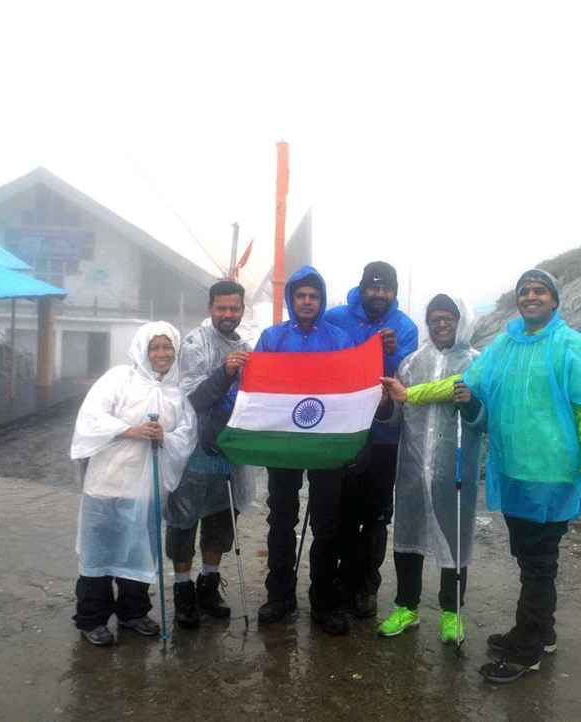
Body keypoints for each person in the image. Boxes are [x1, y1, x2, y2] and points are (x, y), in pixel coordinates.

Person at [384, 269, 581, 683]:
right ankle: (541, 632)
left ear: (555, 300)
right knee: (530, 560)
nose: (530, 297)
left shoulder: (574, 348)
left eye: (540, 291)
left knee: (540, 563)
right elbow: (460, 383)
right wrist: (410, 394)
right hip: (515, 471)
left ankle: (527, 651)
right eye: (524, 291)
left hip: (554, 473)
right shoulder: (506, 345)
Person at [69, 322, 197, 646]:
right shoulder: (118, 379)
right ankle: (93, 619)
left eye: (167, 347)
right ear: (143, 349)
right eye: (155, 347)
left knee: (138, 552)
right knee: (99, 554)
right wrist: (132, 430)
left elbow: (187, 434)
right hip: (108, 484)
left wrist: (164, 436)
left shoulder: (177, 392)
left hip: (148, 488)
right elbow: (91, 417)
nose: (162, 354)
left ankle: (133, 612)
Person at [376, 294, 484, 645]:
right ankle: (407, 607)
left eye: (448, 318)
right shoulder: (409, 364)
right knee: (408, 536)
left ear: (460, 321)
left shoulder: (476, 364)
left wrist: (471, 405)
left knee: (454, 536)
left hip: (454, 468)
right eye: (434, 318)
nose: (441, 324)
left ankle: (452, 613)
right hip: (411, 467)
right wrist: (384, 405)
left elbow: (485, 419)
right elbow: (395, 418)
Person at [254, 266, 355, 635]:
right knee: (281, 520)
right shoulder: (272, 337)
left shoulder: (340, 339)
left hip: (326, 445)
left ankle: (324, 601)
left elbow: (351, 389)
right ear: (291, 300)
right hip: (283, 444)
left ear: (322, 300)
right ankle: (279, 597)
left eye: (314, 296)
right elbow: (256, 388)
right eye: (301, 296)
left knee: (327, 525)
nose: (307, 301)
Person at [324, 261, 418, 618]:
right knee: (343, 512)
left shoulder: (405, 327)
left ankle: (366, 585)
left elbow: (405, 376)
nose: (379, 294)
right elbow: (325, 361)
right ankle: (340, 580)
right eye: (373, 287)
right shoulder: (335, 317)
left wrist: (390, 352)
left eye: (386, 288)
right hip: (344, 432)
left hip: (383, 436)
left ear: (394, 292)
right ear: (362, 287)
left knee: (376, 515)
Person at [168, 280, 255, 629]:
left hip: (228, 453)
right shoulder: (193, 343)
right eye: (222, 308)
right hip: (192, 452)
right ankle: (183, 592)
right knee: (183, 524)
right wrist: (226, 371)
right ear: (210, 308)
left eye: (234, 308)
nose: (228, 315)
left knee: (220, 523)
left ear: (242, 310)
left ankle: (209, 586)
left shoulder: (246, 346)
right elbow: (191, 400)